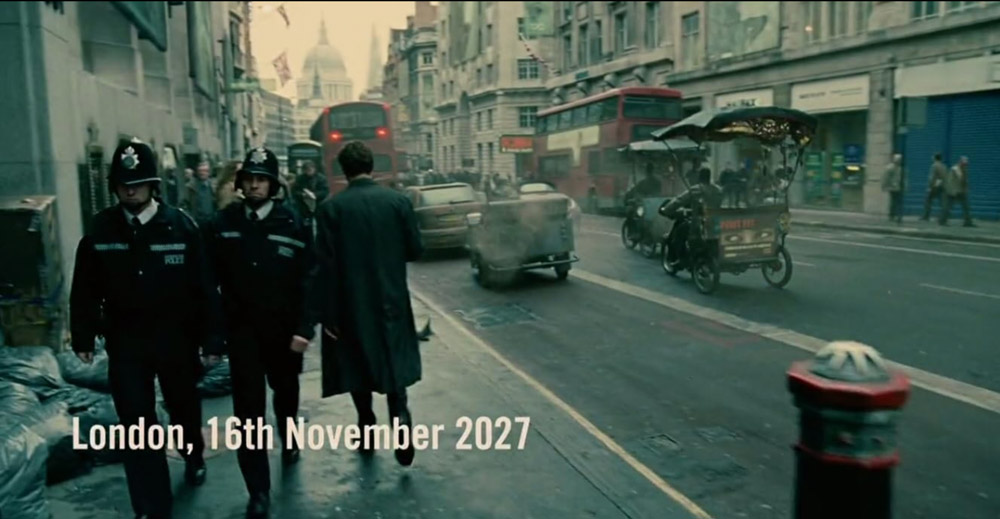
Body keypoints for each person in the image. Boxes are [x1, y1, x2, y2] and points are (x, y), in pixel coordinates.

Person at [70, 140, 222, 519]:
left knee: (183, 406)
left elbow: (205, 288)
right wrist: (83, 334)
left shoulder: (181, 227)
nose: (130, 191)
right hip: (126, 341)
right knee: (136, 423)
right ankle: (151, 505)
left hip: (175, 338)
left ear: (153, 185)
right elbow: (84, 287)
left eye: (137, 183)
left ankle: (192, 453)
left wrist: (211, 340)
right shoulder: (102, 228)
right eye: (123, 184)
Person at [205, 146, 315, 518]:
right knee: (249, 413)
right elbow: (207, 284)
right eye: (249, 180)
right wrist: (213, 337)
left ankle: (290, 436)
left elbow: (310, 279)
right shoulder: (222, 224)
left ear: (273, 185)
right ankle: (258, 491)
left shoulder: (293, 223)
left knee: (286, 396)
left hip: (284, 334)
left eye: (261, 180)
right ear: (240, 184)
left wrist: (305, 329)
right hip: (243, 335)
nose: (254, 186)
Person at [307, 141, 423, 467]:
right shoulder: (398, 202)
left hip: (351, 304)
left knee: (357, 367)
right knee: (394, 361)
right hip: (392, 299)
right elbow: (415, 250)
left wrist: (327, 315)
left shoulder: (330, 209)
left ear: (343, 171)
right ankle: (400, 417)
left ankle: (366, 426)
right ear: (372, 166)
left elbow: (324, 267)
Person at [659, 167, 723, 268]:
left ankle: (682, 260)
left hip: (697, 223)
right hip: (714, 222)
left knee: (678, 235)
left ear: (699, 177)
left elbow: (678, 201)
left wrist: (666, 209)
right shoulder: (718, 190)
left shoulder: (696, 190)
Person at [940, 156, 975, 227]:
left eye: (966, 164)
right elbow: (950, 181)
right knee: (948, 207)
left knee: (966, 207)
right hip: (953, 191)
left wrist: (966, 189)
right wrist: (951, 190)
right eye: (963, 164)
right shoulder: (955, 169)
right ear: (960, 162)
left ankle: (967, 222)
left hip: (961, 191)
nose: (965, 165)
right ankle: (942, 221)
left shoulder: (964, 170)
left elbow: (964, 181)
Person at [184, 160, 217, 225]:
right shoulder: (191, 187)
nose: (202, 173)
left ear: (209, 172)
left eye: (205, 171)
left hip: (212, 220)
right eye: (200, 171)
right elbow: (186, 203)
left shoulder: (214, 186)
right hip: (197, 220)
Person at [921, 153, 947, 221]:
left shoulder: (934, 165)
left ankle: (926, 216)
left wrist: (930, 186)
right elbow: (945, 177)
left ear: (935, 158)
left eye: (933, 157)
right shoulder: (943, 166)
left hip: (934, 186)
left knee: (928, 201)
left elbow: (932, 177)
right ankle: (943, 217)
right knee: (942, 202)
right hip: (942, 185)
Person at [882, 154, 904, 224]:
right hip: (893, 188)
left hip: (899, 187)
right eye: (898, 159)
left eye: (900, 159)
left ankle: (897, 216)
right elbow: (886, 178)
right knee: (894, 202)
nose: (899, 161)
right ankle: (893, 215)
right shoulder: (890, 168)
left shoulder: (900, 168)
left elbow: (903, 178)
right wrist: (885, 186)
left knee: (897, 202)